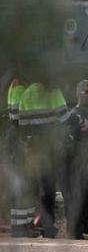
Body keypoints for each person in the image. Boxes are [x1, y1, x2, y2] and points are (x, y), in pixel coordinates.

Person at [17, 80, 69, 238]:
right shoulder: (54, 91)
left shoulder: (27, 94)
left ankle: (30, 225)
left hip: (34, 148)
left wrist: (28, 144)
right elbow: (65, 118)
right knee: (49, 188)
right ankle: (47, 226)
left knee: (33, 187)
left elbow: (22, 125)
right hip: (50, 148)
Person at [62, 80, 88, 239]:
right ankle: (75, 231)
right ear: (78, 93)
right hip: (78, 163)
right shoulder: (75, 115)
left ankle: (87, 229)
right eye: (87, 92)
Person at [6, 78, 38, 237]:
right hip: (21, 137)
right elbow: (20, 116)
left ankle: (26, 224)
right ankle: (20, 226)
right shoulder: (20, 86)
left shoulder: (18, 85)